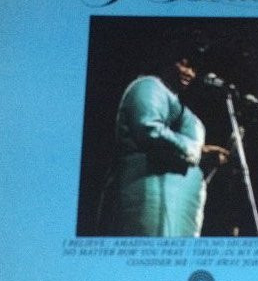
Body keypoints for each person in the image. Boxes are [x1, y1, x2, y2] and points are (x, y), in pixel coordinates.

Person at [98, 49, 229, 236]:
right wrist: (198, 151)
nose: (190, 74)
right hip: (149, 203)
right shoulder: (149, 86)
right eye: (184, 65)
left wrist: (208, 161)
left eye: (194, 69)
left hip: (180, 215)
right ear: (167, 61)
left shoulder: (179, 105)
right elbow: (149, 130)